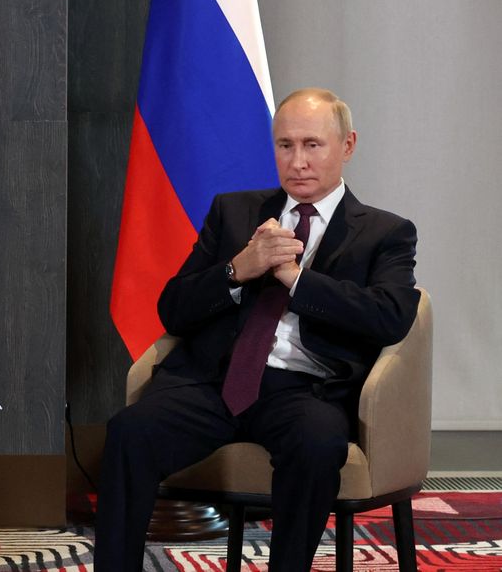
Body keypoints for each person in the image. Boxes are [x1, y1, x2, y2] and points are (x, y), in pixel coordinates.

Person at [94, 88, 420, 571]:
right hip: (212, 382)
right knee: (129, 432)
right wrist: (236, 270)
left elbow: (389, 316)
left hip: (306, 391)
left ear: (347, 145)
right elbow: (173, 310)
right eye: (285, 145)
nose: (297, 161)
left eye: (312, 145)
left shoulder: (384, 233)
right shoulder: (234, 212)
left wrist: (297, 280)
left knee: (317, 446)